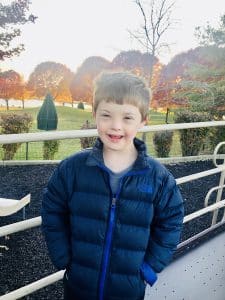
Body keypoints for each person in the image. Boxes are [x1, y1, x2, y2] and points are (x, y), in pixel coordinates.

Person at [41, 71, 184, 300]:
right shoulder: (72, 169)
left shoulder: (159, 178)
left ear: (143, 120)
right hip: (79, 285)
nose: (115, 126)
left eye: (127, 118)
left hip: (128, 289)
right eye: (106, 115)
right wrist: (64, 257)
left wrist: (148, 268)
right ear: (95, 114)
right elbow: (52, 210)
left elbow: (171, 221)